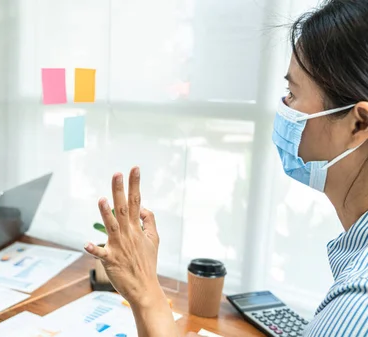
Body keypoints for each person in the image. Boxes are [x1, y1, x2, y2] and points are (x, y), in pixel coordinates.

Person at [85, 1, 368, 336]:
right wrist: (145, 291)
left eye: (292, 93)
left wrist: (146, 292)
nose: (283, 108)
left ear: (357, 124)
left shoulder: (356, 303)